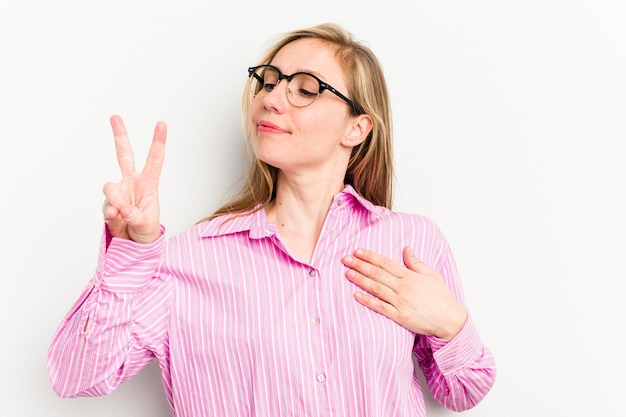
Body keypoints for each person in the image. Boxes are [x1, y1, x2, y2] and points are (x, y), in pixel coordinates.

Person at [48, 23, 496, 416]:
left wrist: (449, 323)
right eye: (268, 82)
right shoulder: (189, 259)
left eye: (304, 88)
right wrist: (132, 251)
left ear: (356, 128)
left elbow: (463, 391)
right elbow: (74, 376)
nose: (271, 99)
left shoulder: (411, 241)